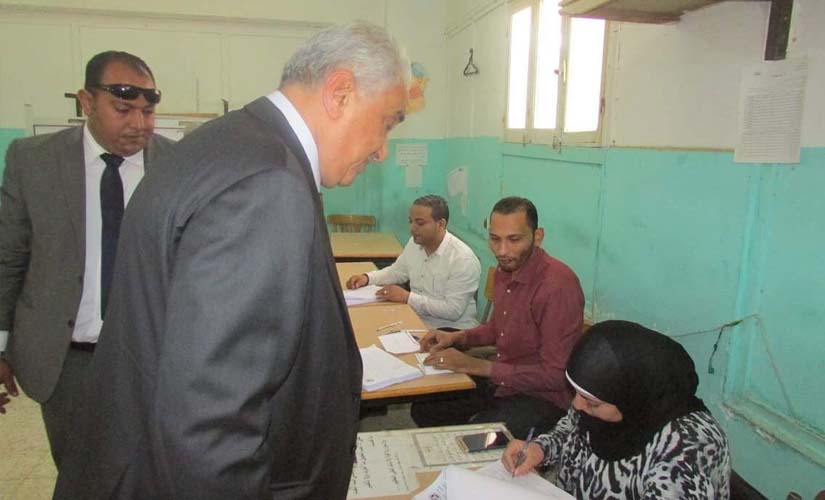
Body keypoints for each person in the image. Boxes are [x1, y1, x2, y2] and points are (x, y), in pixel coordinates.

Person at [52, 22, 408, 500]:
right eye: (387, 122)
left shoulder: (228, 142)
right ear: (340, 92)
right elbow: (211, 423)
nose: (383, 150)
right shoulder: (266, 184)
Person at [0, 51, 172, 469]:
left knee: (153, 472)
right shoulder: (33, 161)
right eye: (123, 110)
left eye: (148, 112)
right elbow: (9, 258)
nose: (139, 124)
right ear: (87, 102)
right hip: (67, 362)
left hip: (153, 357)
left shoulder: (176, 164)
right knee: (79, 474)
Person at [413, 196, 585, 439]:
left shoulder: (557, 286)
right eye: (495, 239)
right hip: (503, 381)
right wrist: (458, 338)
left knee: (475, 440)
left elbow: (556, 376)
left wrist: (474, 365)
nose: (502, 251)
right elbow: (497, 329)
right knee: (426, 408)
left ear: (537, 237)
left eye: (514, 239)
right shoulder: (506, 270)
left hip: (542, 398)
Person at [502, 320, 731, 499]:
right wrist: (540, 449)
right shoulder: (600, 399)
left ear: (630, 396)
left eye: (591, 402)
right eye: (576, 393)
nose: (577, 405)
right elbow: (570, 429)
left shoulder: (689, 446)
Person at [346, 194, 481, 330]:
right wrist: (367, 278)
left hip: (452, 331)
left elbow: (453, 311)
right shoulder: (415, 244)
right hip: (417, 320)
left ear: (441, 224)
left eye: (420, 223)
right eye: (411, 221)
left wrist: (407, 297)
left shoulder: (462, 259)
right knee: (365, 326)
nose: (412, 228)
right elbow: (397, 272)